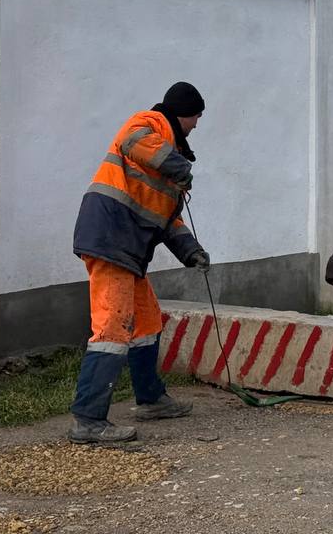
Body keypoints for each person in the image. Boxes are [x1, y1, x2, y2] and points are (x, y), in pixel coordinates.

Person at [68, 82, 211, 444]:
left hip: (128, 249)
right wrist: (178, 165)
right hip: (110, 239)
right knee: (113, 329)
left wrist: (190, 250)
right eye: (196, 117)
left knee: (146, 322)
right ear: (183, 113)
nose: (196, 125)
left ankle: (150, 398)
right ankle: (87, 420)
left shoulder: (166, 153)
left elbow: (166, 219)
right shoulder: (149, 124)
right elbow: (131, 139)